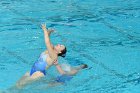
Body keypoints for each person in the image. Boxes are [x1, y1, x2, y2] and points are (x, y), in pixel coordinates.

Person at [14, 24, 87, 88]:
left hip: (38, 73)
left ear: (59, 51)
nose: (58, 44)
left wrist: (45, 31)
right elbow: (48, 41)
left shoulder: (54, 56)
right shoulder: (51, 49)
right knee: (17, 84)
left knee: (20, 86)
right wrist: (49, 32)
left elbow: (47, 42)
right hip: (32, 70)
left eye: (60, 46)